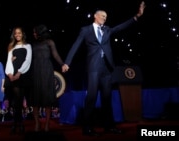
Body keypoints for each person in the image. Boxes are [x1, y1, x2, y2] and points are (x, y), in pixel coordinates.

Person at [62, 1, 146, 136]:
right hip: (93, 68)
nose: (104, 18)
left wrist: (136, 16)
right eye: (102, 16)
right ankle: (87, 127)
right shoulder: (86, 30)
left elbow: (121, 27)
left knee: (107, 98)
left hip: (107, 68)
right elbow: (75, 45)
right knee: (92, 96)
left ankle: (109, 126)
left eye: (106, 17)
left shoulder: (107, 30)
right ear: (95, 16)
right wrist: (67, 62)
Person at [31, 24, 65, 132]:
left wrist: (62, 64)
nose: (34, 34)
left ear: (40, 32)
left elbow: (55, 55)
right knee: (35, 99)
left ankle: (46, 125)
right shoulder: (32, 44)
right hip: (35, 70)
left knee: (47, 98)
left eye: (35, 32)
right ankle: (37, 124)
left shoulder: (50, 42)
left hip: (46, 70)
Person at [5, 27, 32, 134]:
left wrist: (19, 72)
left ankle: (18, 123)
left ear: (22, 34)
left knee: (20, 100)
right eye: (15, 33)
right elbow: (8, 61)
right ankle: (16, 123)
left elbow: (28, 60)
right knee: (16, 100)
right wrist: (10, 73)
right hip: (13, 73)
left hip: (23, 74)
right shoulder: (11, 46)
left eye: (19, 33)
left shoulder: (28, 46)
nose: (17, 35)